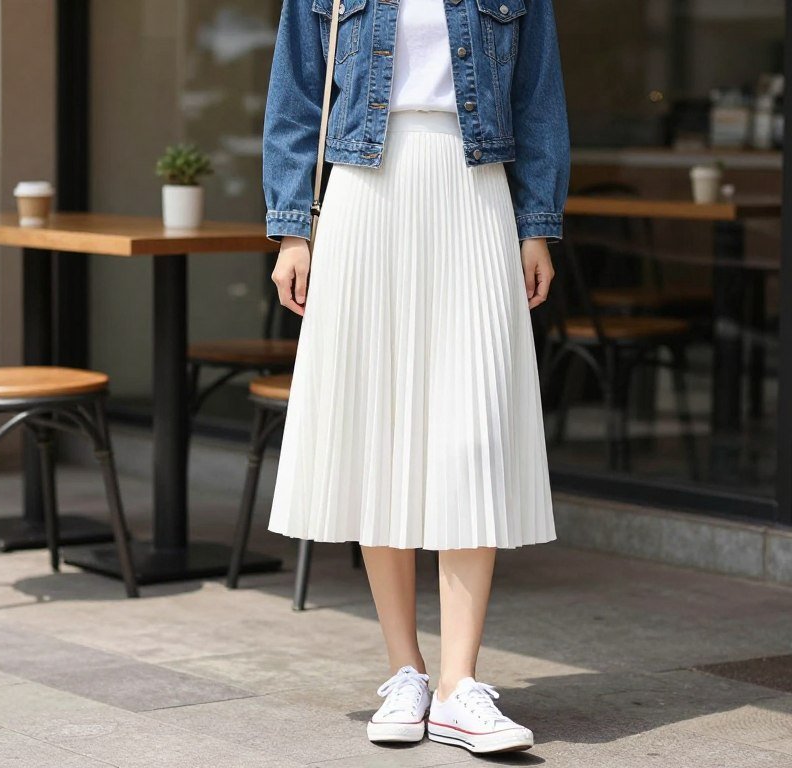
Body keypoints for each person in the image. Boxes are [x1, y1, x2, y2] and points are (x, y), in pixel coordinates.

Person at [261, 0, 570, 754]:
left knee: (473, 430)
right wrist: (292, 227)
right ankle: (407, 671)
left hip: (476, 191)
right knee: (381, 428)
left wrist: (538, 223)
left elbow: (538, 98)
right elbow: (297, 95)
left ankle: (461, 686)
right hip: (365, 192)